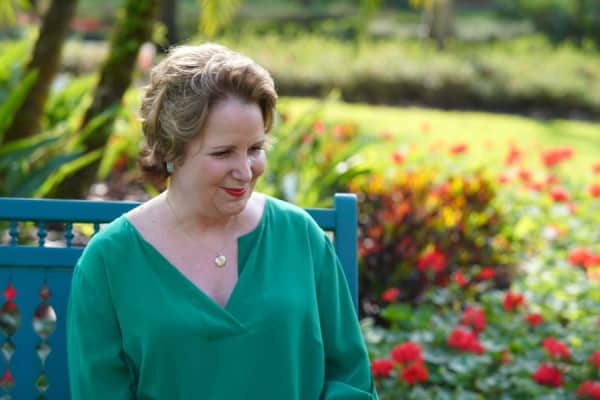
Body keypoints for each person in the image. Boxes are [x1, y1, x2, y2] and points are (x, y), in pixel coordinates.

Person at [67, 43, 378, 400]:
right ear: (169, 150)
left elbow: (350, 379)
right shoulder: (109, 262)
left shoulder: (301, 237)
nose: (245, 171)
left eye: (255, 149)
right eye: (223, 153)